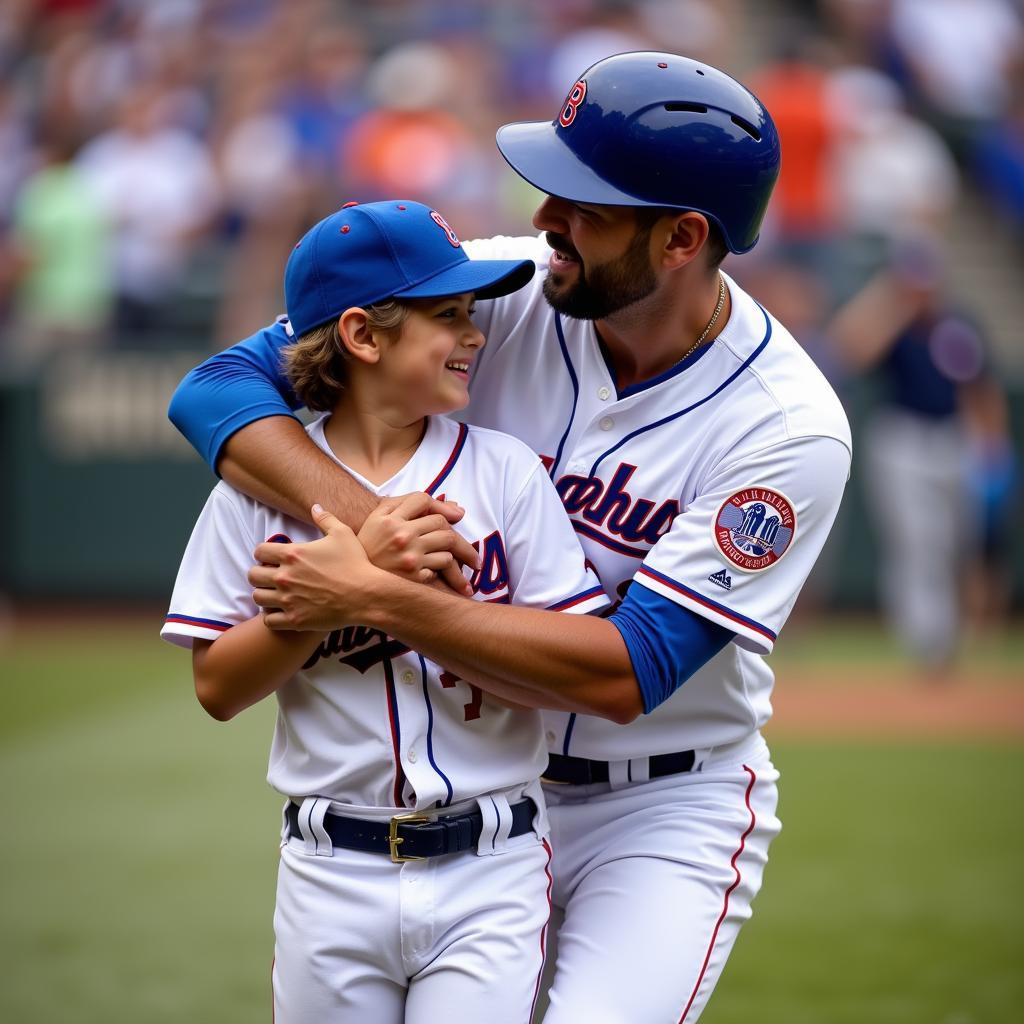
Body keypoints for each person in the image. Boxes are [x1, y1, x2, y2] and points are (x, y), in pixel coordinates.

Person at [170, 53, 853, 1023]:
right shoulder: (503, 289)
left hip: (658, 802)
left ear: (681, 238)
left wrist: (376, 593)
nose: (544, 220)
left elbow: (629, 672)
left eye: (584, 203)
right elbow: (216, 389)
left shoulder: (784, 428)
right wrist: (372, 526)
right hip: (485, 789)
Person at [161, 200, 610, 1024]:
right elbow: (217, 687)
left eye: (471, 314)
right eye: (448, 317)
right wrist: (321, 604)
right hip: (332, 868)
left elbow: (573, 659)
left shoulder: (504, 472)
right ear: (364, 337)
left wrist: (374, 594)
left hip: (494, 859)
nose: (476, 334)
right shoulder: (254, 493)